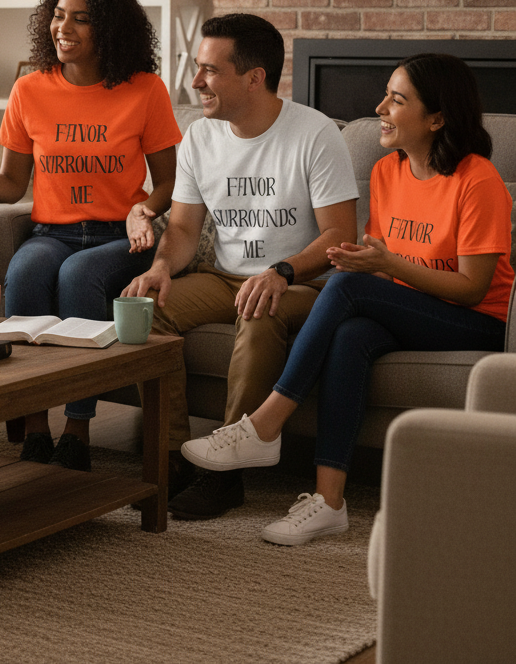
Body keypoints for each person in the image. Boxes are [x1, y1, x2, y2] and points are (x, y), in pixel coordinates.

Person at [180, 53, 513, 545]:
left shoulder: (476, 179)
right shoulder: (386, 172)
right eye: (385, 96)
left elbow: (472, 288)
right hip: (409, 307)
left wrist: (385, 267)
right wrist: (363, 262)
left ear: (437, 118)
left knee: (346, 287)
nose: (380, 109)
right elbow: (380, 262)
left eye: (397, 100)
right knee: (352, 334)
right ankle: (329, 501)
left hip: (478, 321)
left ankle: (265, 425)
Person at [0, 0, 180, 472]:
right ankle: (35, 426)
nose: (64, 28)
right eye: (58, 16)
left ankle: (78, 428)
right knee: (25, 272)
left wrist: (142, 209)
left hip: (118, 236)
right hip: (52, 232)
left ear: (109, 29)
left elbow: (169, 182)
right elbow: (12, 184)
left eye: (81, 19)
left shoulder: (145, 90)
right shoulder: (29, 90)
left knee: (79, 275)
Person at [122, 13, 359, 520]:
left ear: (254, 77)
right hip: (224, 275)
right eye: (197, 67)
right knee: (146, 305)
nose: (195, 81)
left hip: (302, 282)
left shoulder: (314, 134)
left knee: (258, 310)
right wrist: (162, 267)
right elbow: (183, 230)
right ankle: (175, 456)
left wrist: (281, 271)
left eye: (210, 70)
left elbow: (340, 236)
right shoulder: (199, 137)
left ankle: (225, 474)